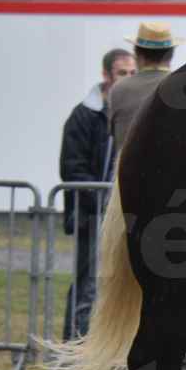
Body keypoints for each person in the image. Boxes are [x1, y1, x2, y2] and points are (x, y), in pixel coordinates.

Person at [108, 22, 186, 370]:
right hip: (184, 195)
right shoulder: (185, 87)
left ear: (139, 54)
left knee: (135, 283)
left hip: (132, 193)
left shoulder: (121, 90)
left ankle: (132, 363)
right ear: (170, 54)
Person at [58, 48, 135, 339]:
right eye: (121, 73)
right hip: (92, 217)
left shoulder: (135, 112)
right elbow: (73, 168)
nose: (128, 79)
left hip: (128, 216)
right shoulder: (84, 115)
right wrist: (105, 204)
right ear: (106, 75)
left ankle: (113, 357)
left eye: (132, 73)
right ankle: (74, 348)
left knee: (124, 289)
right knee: (89, 286)